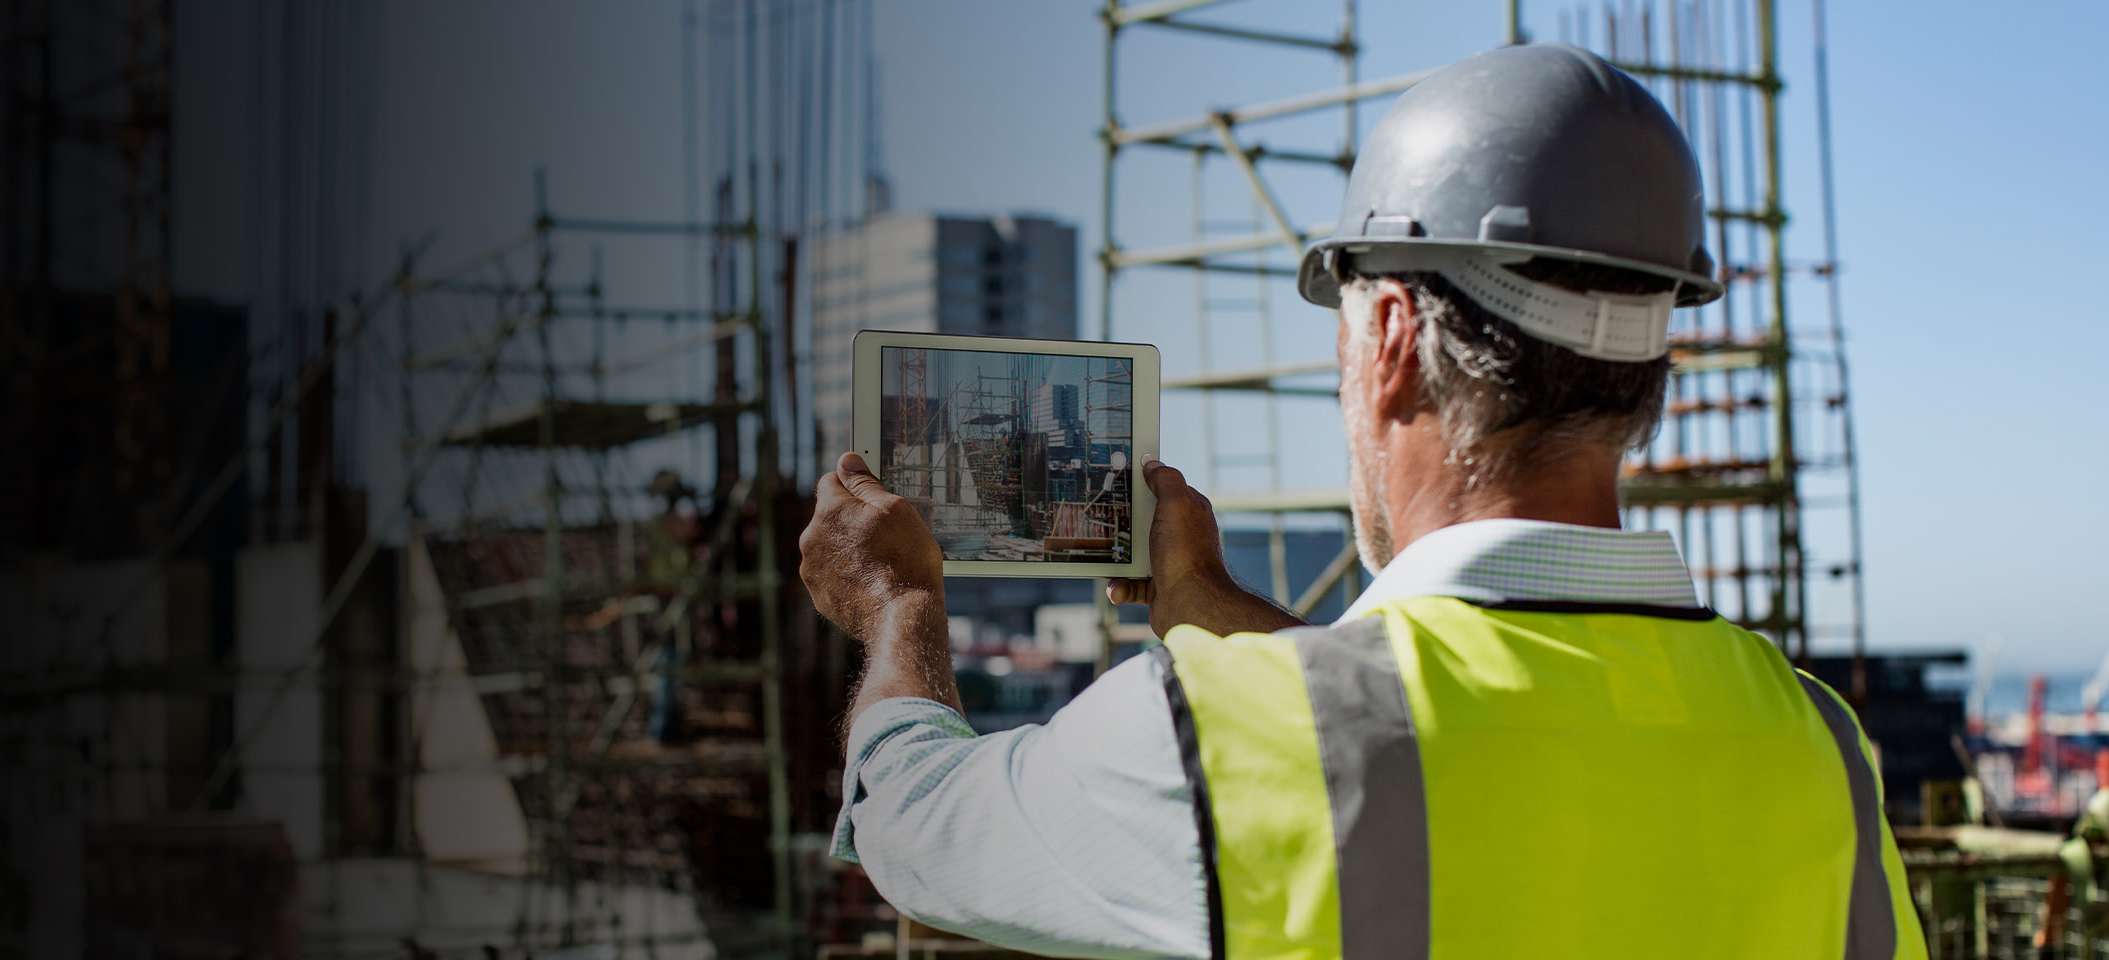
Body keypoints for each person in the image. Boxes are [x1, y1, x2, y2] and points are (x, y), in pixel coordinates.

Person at [798, 44, 1925, 959]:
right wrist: (1211, 605)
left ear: (1386, 340)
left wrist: (897, 603)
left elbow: (925, 840)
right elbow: (1451, 727)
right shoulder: (1817, 746)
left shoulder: (1235, 736)